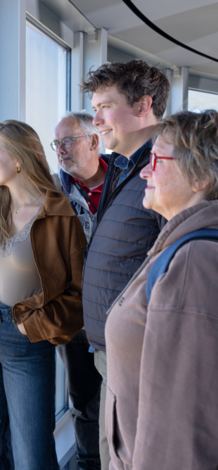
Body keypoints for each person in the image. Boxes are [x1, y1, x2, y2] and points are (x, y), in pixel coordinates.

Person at [0, 120, 87, 470]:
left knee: (32, 452)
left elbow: (78, 293)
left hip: (27, 339)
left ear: (18, 159)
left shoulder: (60, 214)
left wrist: (34, 326)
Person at [105, 109, 218, 469]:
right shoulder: (182, 244)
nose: (144, 170)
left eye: (156, 159)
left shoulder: (192, 263)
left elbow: (178, 433)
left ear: (199, 175)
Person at [79, 60, 169, 468]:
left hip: (139, 354)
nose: (95, 119)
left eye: (104, 106)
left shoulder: (164, 170)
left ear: (142, 105)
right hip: (113, 350)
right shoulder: (126, 165)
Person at [51, 111, 107, 470]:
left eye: (68, 141)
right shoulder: (53, 193)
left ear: (93, 141)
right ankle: (89, 464)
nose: (60, 150)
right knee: (85, 402)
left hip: (124, 313)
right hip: (76, 317)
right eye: (56, 144)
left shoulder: (129, 182)